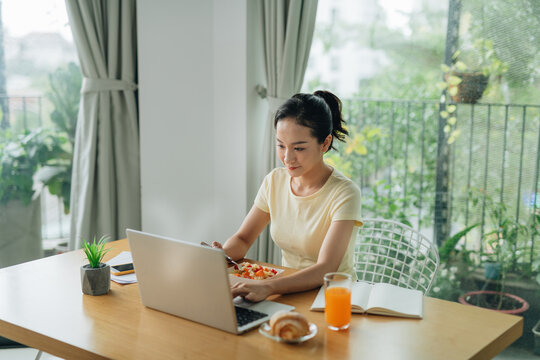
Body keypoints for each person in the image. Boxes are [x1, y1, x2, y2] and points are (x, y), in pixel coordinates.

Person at [213, 90, 362, 302]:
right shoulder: (275, 181)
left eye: (299, 148)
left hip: (333, 297)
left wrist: (266, 287)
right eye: (281, 145)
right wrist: (220, 256)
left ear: (325, 143)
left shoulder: (345, 193)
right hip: (288, 291)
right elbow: (243, 239)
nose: (287, 157)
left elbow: (325, 269)